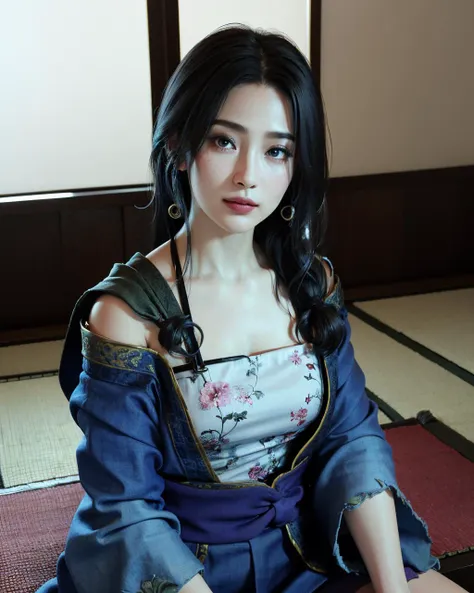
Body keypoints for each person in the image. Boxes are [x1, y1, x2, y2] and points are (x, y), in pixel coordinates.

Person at [37, 25, 466, 593]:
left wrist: (394, 588)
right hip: (173, 566)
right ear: (178, 145)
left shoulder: (311, 283)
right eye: (223, 141)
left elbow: (352, 441)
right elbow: (128, 506)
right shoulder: (125, 315)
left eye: (276, 150)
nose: (248, 176)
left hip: (310, 547)